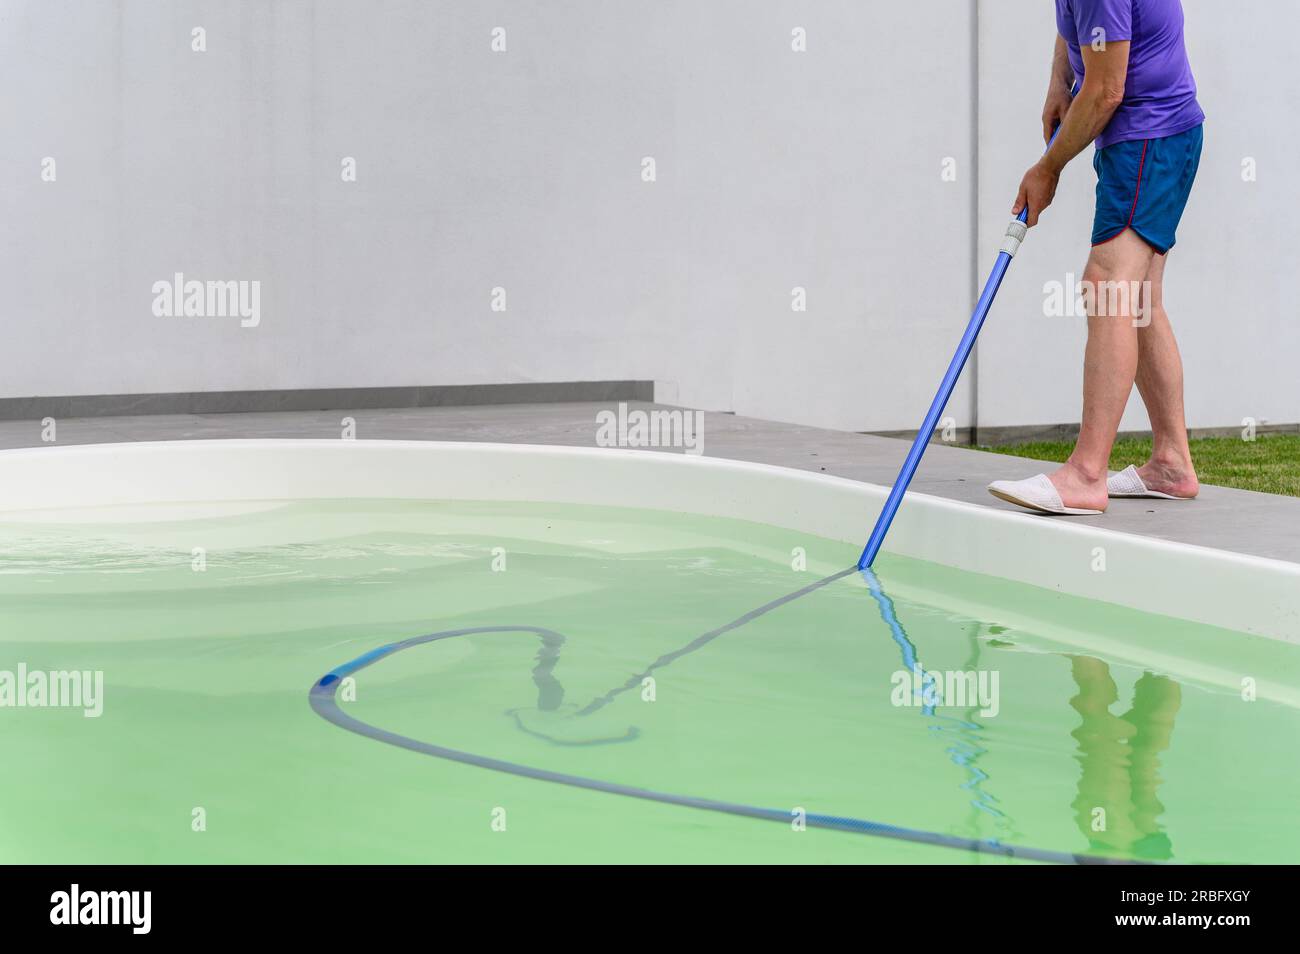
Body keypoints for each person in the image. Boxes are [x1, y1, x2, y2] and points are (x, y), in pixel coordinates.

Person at [987, 0, 1205, 516]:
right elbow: (1079, 33)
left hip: (1148, 136)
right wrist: (1058, 84)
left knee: (1106, 285)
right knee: (1137, 298)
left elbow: (1107, 89)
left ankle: (1086, 475)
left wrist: (1048, 167)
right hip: (1156, 133)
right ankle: (1172, 463)